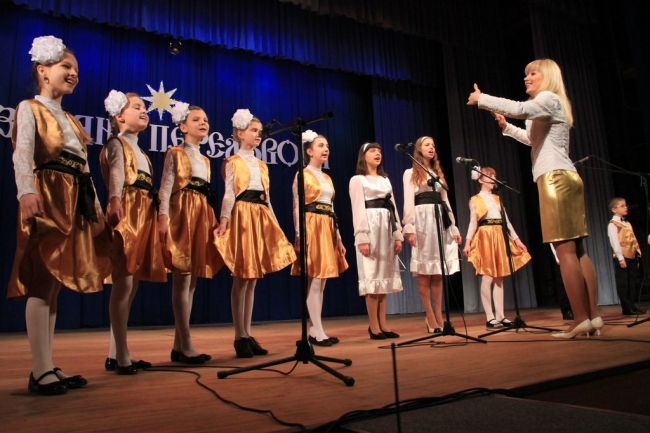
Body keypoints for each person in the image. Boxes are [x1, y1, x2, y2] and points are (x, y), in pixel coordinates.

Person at [467, 58, 600, 338]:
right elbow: (532, 139)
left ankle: (580, 318)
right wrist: (506, 126)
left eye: (532, 73)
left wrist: (483, 99)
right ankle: (592, 316)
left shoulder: (548, 98)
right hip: (564, 175)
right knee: (577, 249)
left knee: (565, 250)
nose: (526, 78)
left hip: (554, 178)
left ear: (547, 76)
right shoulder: (549, 104)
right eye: (526, 74)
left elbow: (519, 108)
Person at [9, 36, 111, 395]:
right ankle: (40, 370)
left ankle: (46, 364)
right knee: (42, 278)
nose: (73, 73)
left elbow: (83, 168)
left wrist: (95, 209)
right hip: (48, 195)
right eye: (66, 66)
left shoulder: (70, 119)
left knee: (53, 285)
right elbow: (22, 153)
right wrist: (26, 191)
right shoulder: (29, 108)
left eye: (76, 70)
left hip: (73, 198)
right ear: (42, 71)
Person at [215, 109, 296, 358]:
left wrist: (275, 225)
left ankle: (247, 333)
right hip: (242, 216)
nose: (258, 134)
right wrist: (224, 220)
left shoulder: (262, 165)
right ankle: (239, 335)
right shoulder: (232, 162)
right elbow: (229, 193)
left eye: (259, 131)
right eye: (253, 130)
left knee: (252, 279)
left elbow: (267, 198)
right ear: (240, 133)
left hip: (259, 215)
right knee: (242, 276)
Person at [100, 90, 167, 374]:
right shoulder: (117, 143)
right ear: (119, 115)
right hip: (128, 212)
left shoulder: (142, 152)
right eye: (136, 106)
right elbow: (117, 173)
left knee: (132, 282)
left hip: (144, 213)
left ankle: (116, 352)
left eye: (144, 107)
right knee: (124, 282)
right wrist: (115, 199)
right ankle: (121, 354)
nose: (144, 111)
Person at [158, 102, 222, 364]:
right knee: (182, 279)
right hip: (181, 214)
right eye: (196, 119)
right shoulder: (175, 153)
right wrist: (163, 217)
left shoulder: (205, 160)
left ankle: (179, 346)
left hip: (200, 216)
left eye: (205, 119)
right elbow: (165, 188)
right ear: (183, 127)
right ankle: (186, 344)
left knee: (192, 281)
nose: (203, 122)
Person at [291, 130, 348, 346]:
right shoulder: (302, 175)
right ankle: (317, 330)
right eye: (321, 146)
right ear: (309, 151)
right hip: (311, 225)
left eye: (327, 146)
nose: (326, 149)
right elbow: (297, 206)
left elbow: (331, 208)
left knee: (321, 281)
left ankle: (316, 329)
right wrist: (299, 234)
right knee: (315, 279)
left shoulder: (327, 177)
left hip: (327, 226)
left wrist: (338, 237)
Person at [402, 136, 461, 334]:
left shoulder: (437, 174)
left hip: (439, 220)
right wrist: (409, 226)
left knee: (437, 271)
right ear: (419, 149)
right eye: (427, 145)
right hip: (422, 221)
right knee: (423, 270)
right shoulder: (410, 173)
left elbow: (446, 200)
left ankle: (439, 314)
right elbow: (408, 201)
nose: (431, 147)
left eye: (433, 145)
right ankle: (429, 315)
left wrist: (453, 226)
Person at [461, 167, 531, 330]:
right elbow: (473, 222)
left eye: (494, 175)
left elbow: (506, 221)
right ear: (480, 179)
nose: (493, 178)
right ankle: (490, 317)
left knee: (499, 277)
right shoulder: (475, 199)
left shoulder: (497, 198)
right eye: (489, 175)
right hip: (485, 235)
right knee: (488, 277)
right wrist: (468, 242)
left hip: (499, 235)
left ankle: (500, 315)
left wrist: (517, 240)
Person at [349, 142, 403, 340]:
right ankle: (373, 326)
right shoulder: (358, 180)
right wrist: (362, 237)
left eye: (379, 150)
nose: (377, 153)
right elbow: (357, 209)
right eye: (372, 150)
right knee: (372, 276)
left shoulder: (385, 180)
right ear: (363, 156)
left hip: (386, 228)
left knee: (383, 278)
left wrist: (397, 234)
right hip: (371, 228)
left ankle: (383, 324)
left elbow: (393, 207)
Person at [607, 197, 646, 316]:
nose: (626, 207)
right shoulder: (613, 224)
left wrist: (637, 255)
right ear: (614, 209)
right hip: (623, 257)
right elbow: (615, 242)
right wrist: (620, 258)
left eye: (626, 205)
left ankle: (631, 306)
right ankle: (626, 307)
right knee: (623, 283)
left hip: (632, 256)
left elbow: (633, 240)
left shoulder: (627, 223)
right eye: (622, 206)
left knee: (632, 283)